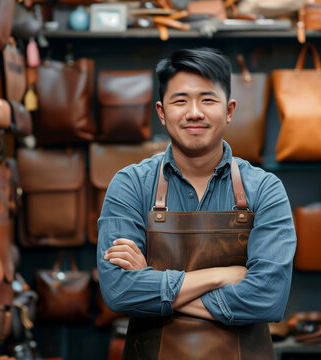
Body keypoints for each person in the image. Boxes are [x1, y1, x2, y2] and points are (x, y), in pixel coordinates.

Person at [96, 47, 297, 359]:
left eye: (207, 99)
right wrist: (222, 275)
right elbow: (119, 292)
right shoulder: (131, 185)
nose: (194, 112)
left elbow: (267, 299)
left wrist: (152, 281)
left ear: (229, 110)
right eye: (181, 100)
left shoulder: (265, 189)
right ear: (162, 113)